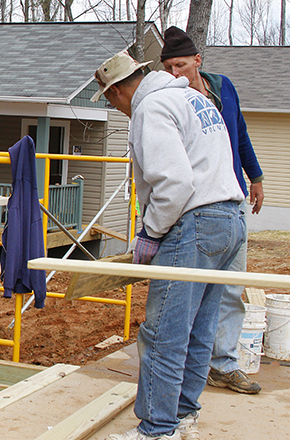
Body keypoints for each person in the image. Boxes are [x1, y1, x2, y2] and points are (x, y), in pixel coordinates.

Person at [91, 51, 245, 440]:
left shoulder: (152, 108)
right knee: (199, 329)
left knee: (164, 333)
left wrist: (151, 233)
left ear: (115, 95)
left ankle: (158, 431)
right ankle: (182, 416)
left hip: (194, 222)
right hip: (230, 219)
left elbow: (175, 184)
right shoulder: (193, 97)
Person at [160, 26, 264, 395]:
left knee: (230, 288)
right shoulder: (173, 100)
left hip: (230, 202)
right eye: (169, 67)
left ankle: (223, 364)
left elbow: (240, 134)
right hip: (194, 210)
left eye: (181, 65)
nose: (176, 74)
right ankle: (188, 368)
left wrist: (255, 176)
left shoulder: (222, 88)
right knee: (188, 297)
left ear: (197, 61)